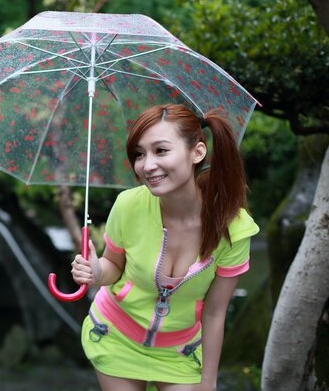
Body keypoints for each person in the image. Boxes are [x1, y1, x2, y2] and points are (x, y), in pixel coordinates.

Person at [71, 104, 259, 391]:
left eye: (160, 151)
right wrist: (97, 272)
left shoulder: (233, 228)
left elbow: (215, 312)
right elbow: (114, 267)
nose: (147, 165)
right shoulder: (128, 205)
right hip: (115, 335)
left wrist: (208, 381)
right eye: (139, 154)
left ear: (197, 152)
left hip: (179, 351)